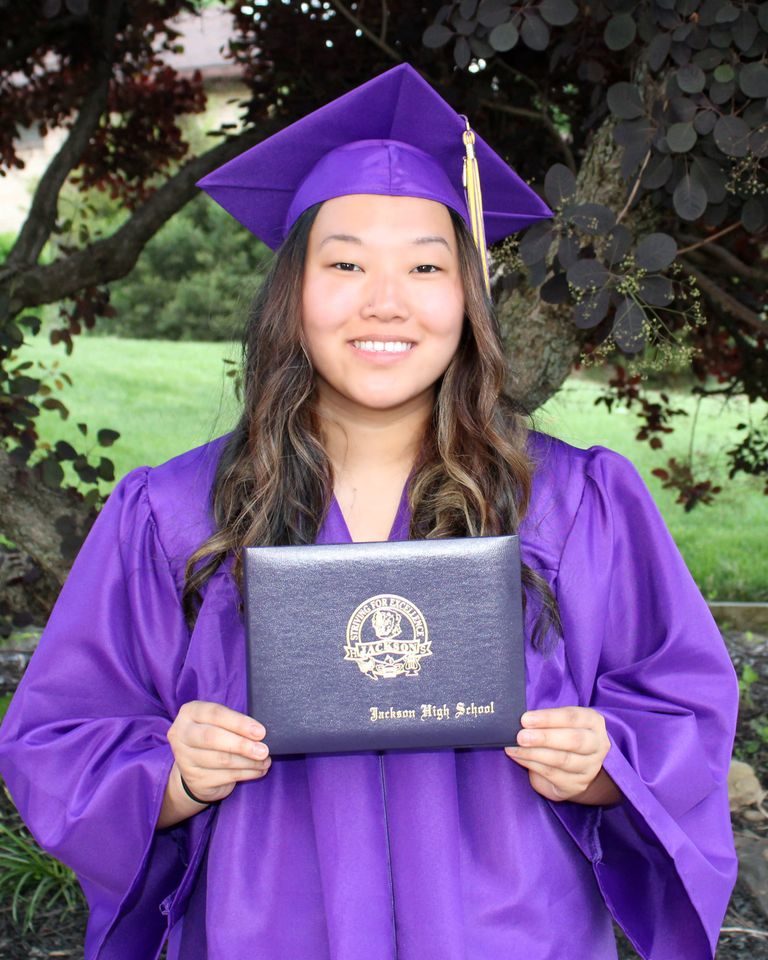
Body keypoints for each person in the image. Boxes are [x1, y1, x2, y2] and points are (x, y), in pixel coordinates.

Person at [0, 64, 738, 960]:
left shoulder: (575, 506)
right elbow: (61, 736)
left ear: (468, 297)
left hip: (511, 937)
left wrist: (606, 762)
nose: (385, 300)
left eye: (426, 265)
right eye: (345, 262)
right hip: (262, 936)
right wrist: (171, 774)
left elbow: (683, 703)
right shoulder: (175, 515)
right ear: (293, 294)